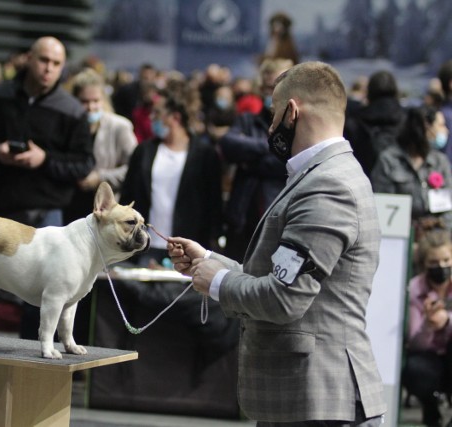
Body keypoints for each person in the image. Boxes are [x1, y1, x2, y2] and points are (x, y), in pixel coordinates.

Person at [167, 61, 386, 425]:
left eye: (272, 114)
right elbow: (283, 276)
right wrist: (209, 261)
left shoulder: (328, 186)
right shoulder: (321, 176)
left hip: (322, 400)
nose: (270, 127)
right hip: (310, 400)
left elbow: (284, 298)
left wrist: (218, 283)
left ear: (292, 111)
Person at [0, 36, 93, 339]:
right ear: (29, 59)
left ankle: (34, 368)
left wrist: (44, 160)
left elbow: (84, 164)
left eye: (56, 63)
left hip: (44, 212)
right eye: (44, 60)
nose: (49, 68)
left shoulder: (71, 110)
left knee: (46, 297)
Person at [120, 92, 222, 267]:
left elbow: (213, 202)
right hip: (145, 245)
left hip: (187, 247)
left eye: (157, 114)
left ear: (175, 117)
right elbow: (128, 194)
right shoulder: (144, 151)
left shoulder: (204, 154)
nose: (152, 118)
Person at [218, 58, 292, 262]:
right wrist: (271, 147)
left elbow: (286, 164)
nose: (272, 93)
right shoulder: (247, 120)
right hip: (242, 220)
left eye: (278, 86)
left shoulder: (296, 128)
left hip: (277, 222)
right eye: (268, 87)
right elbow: (228, 144)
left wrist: (250, 157)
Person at [64, 67, 137, 223]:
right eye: (84, 101)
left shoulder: (120, 126)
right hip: (70, 205)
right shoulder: (67, 126)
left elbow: (134, 168)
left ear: (103, 99)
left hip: (107, 211)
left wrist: (100, 177)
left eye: (96, 101)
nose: (91, 107)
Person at [370, 106, 452, 232]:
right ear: (426, 128)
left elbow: (448, 212)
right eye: (440, 125)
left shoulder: (440, 162)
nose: (445, 131)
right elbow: (383, 207)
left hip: (435, 240)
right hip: (399, 237)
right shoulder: (389, 160)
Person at [403, 224, 452, 427]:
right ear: (424, 264)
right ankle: (431, 408)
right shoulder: (414, 289)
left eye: (446, 260)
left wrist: (447, 321)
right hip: (428, 358)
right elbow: (414, 343)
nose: (440, 266)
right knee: (414, 368)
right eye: (434, 262)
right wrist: (428, 325)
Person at [344, 70, 405, 177]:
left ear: (369, 92)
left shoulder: (355, 120)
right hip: (398, 179)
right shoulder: (406, 118)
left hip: (363, 179)